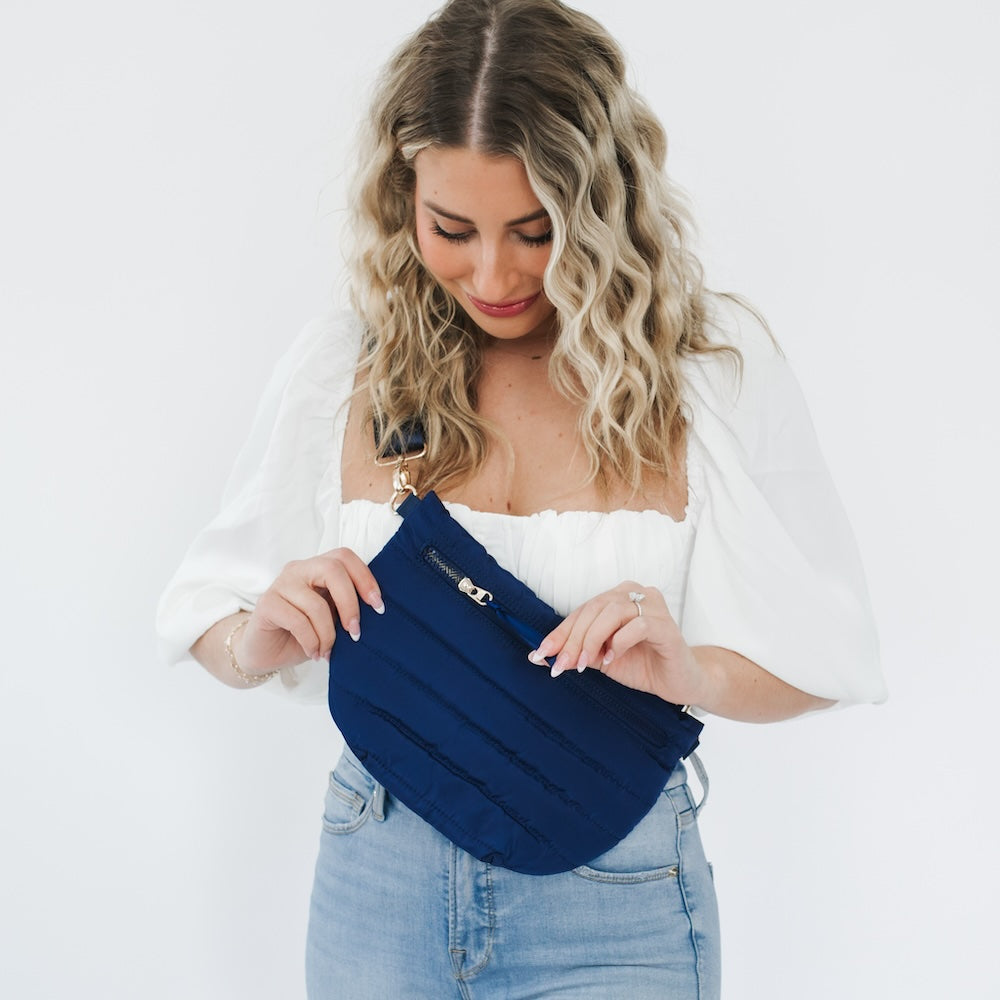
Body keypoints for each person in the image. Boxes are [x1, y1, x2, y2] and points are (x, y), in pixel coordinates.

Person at [157, 0, 886, 996]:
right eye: (451, 229)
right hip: (377, 878)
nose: (493, 274)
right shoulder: (349, 367)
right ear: (402, 198)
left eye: (535, 231)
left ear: (602, 205)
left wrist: (689, 670)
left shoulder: (706, 372)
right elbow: (205, 610)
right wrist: (256, 639)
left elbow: (823, 657)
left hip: (616, 895)